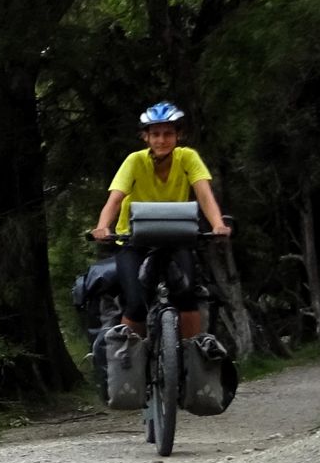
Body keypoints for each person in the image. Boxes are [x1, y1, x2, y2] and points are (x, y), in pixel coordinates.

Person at [89, 102, 230, 347]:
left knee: (187, 295)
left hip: (176, 238)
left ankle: (195, 354)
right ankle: (127, 360)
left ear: (178, 135)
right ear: (145, 137)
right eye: (155, 134)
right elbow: (115, 199)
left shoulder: (187, 157)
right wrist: (103, 226)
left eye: (168, 134)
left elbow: (204, 194)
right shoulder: (134, 161)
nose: (161, 140)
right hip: (133, 240)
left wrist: (218, 224)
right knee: (135, 303)